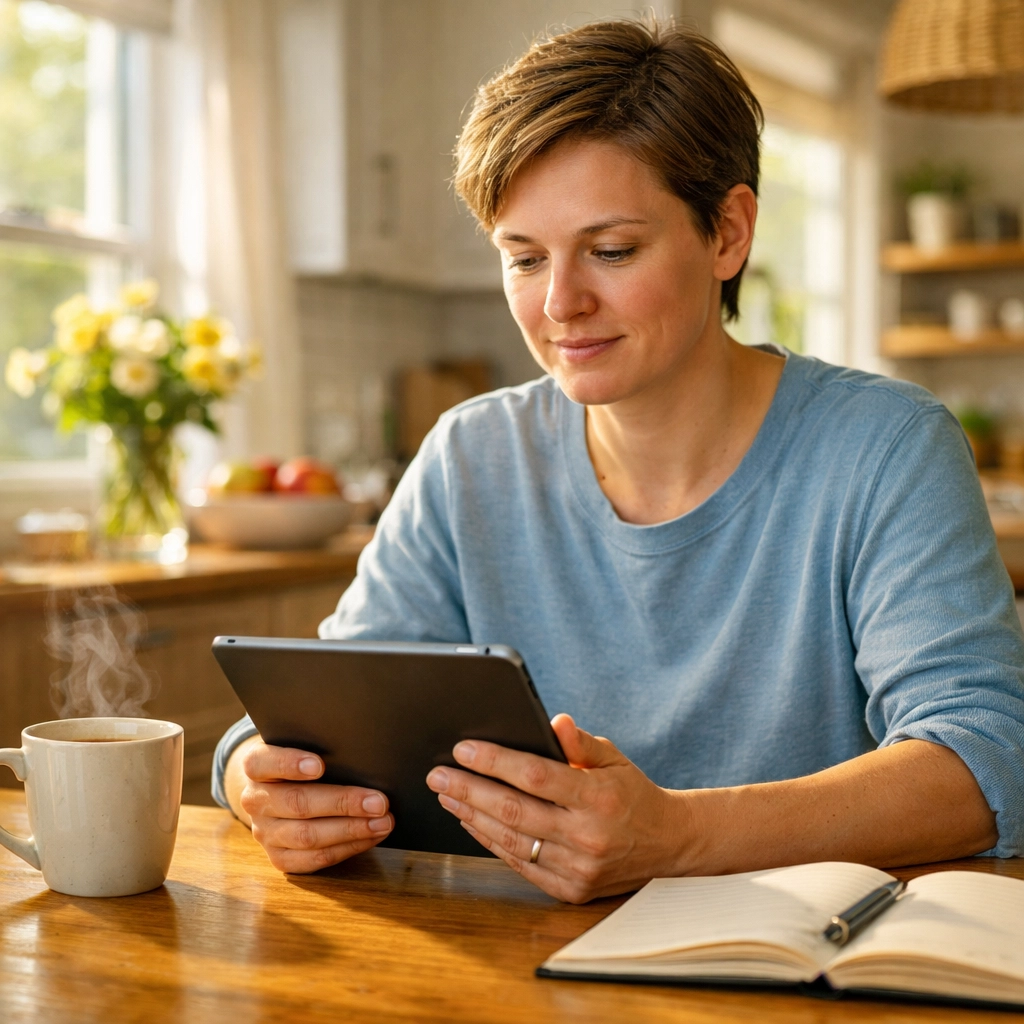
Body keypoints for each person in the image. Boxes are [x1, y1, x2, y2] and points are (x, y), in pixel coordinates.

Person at [213, 19, 1024, 904]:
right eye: (523, 259)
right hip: (522, 964)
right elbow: (318, 707)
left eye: (611, 251)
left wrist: (675, 837)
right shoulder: (470, 456)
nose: (561, 303)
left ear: (728, 233)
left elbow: (989, 753)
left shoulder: (885, 446)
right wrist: (254, 775)